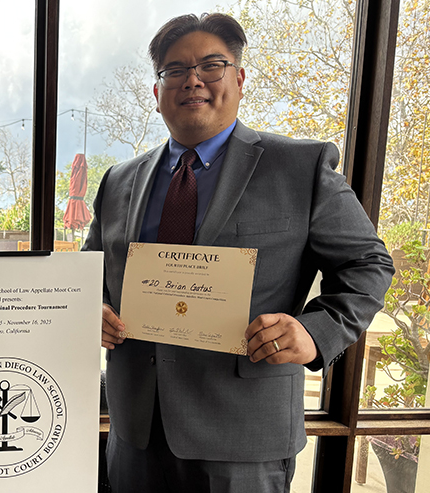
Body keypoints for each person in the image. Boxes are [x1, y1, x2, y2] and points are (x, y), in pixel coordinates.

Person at [84, 13, 394, 493]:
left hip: (244, 437)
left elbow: (368, 264)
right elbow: (92, 274)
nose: (193, 80)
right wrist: (92, 309)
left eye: (212, 66)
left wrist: (314, 332)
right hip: (135, 434)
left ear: (240, 78)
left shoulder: (300, 167)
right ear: (157, 90)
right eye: (175, 70)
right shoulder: (118, 180)